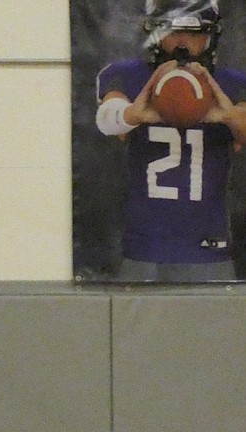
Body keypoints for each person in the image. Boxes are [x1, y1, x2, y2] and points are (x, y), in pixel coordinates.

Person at [94, 0, 246, 281]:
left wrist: (228, 115)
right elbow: (106, 119)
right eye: (171, 31)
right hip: (145, 248)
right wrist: (134, 113)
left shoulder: (231, 83)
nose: (182, 42)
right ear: (154, 35)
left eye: (194, 32)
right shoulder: (128, 76)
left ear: (210, 36)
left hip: (208, 248)